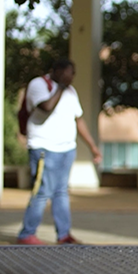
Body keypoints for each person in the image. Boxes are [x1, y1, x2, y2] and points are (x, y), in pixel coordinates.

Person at [16, 59, 102, 245]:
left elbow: (78, 120)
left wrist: (92, 147)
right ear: (58, 71)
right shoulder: (38, 85)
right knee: (41, 191)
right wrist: (60, 88)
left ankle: (64, 234)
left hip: (66, 149)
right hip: (43, 148)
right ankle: (26, 233)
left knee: (61, 192)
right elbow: (45, 107)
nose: (72, 77)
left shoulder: (71, 92)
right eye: (70, 73)